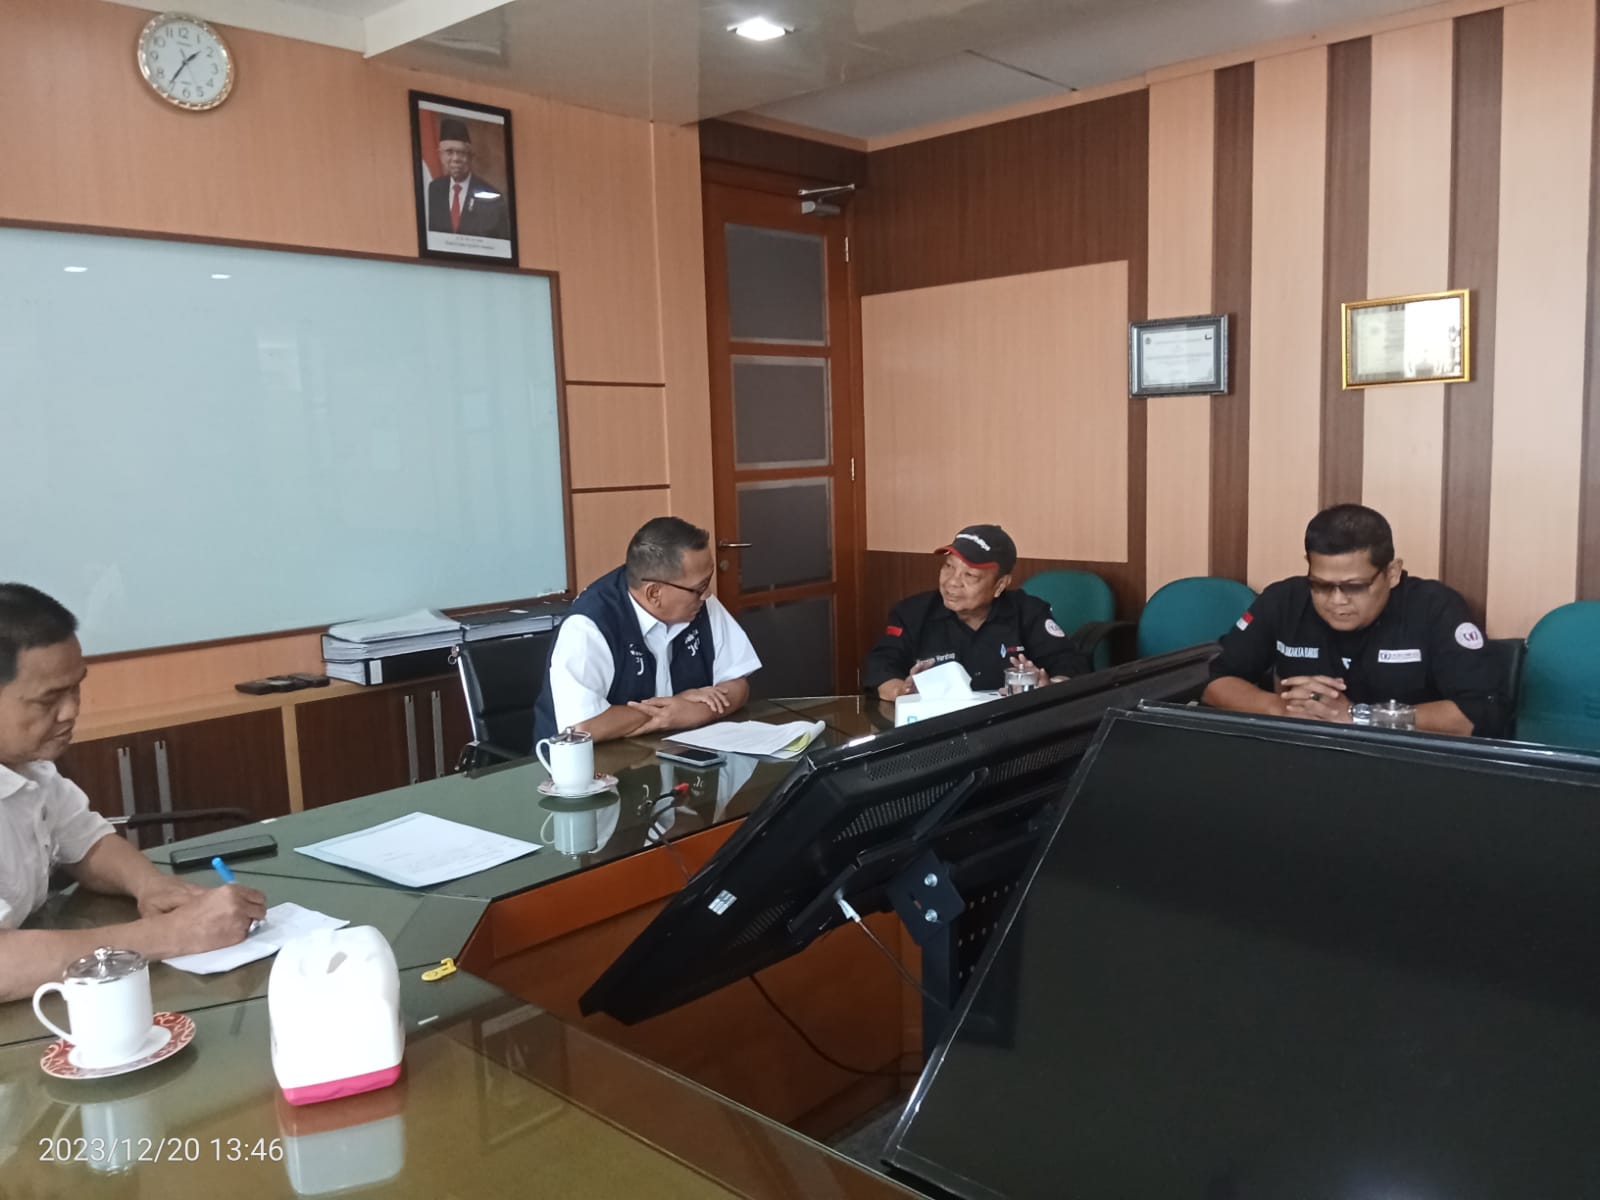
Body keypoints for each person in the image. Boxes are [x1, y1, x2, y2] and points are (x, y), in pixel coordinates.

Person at [0, 584, 266, 1002]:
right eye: (48, 699)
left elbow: (88, 843)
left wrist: (150, 885)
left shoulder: (30, 767)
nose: (71, 711)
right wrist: (168, 934)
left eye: (75, 688)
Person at [1202, 504, 1505, 736]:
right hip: (1304, 762)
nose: (1337, 600)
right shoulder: (1284, 600)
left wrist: (1358, 716)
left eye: (1355, 587)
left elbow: (1478, 714)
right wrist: (1280, 708)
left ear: (1392, 573)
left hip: (1405, 767)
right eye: (1321, 585)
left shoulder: (1434, 607)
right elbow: (1215, 683)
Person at [533, 517, 762, 743]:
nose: (708, 594)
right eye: (700, 587)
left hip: (671, 752)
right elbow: (584, 727)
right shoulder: (589, 626)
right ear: (654, 593)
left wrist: (697, 711)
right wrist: (672, 710)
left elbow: (738, 683)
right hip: (589, 763)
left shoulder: (698, 601)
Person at [863, 524, 1090, 702]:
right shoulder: (913, 613)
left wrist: (1049, 687)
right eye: (948, 566)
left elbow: (1071, 664)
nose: (952, 582)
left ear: (1000, 585)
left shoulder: (1028, 612)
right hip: (936, 729)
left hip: (1007, 729)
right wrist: (901, 691)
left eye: (969, 575)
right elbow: (881, 664)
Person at [426, 117, 511, 240]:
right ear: (440, 155)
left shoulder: (492, 196)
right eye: (449, 152)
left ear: (471, 156)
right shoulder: (433, 189)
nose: (455, 159)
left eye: (461, 152)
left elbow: (501, 243)